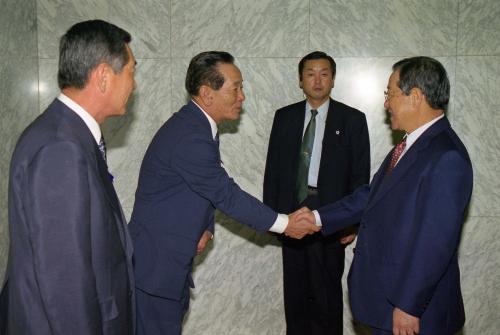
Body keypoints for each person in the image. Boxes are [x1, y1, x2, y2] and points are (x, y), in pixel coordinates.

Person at [129, 51, 319, 335]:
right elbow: (225, 193)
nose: (242, 96)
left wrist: (205, 228)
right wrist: (285, 223)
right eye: (236, 88)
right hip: (155, 271)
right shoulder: (190, 135)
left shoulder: (198, 127)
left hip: (166, 265)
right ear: (207, 93)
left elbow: (201, 187)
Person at [297, 56, 473, 335]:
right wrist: (317, 217)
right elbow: (371, 196)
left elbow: (434, 242)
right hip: (385, 303)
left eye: (390, 94)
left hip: (411, 314)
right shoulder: (410, 145)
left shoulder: (445, 157)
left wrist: (409, 306)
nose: (386, 103)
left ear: (415, 97)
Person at [0, 20, 137, 335]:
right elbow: (64, 279)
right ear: (104, 76)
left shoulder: (68, 134)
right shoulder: (60, 148)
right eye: (131, 71)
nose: (134, 84)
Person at [263, 51, 370, 334]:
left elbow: (361, 177)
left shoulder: (353, 119)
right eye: (310, 73)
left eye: (324, 73)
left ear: (333, 79)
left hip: (332, 217)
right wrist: (272, 217)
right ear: (300, 80)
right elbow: (272, 170)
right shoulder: (284, 117)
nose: (317, 80)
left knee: (327, 296)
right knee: (295, 295)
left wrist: (353, 222)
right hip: (292, 212)